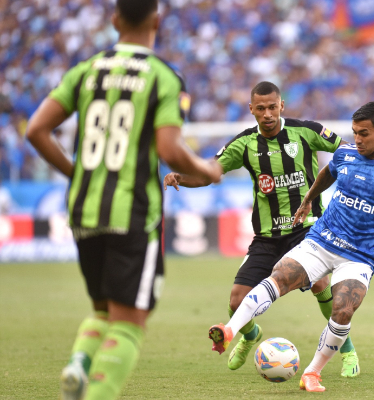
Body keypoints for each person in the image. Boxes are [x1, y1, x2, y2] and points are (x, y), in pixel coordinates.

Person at [25, 1, 223, 399]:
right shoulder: (164, 77)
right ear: (156, 21)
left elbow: (36, 130)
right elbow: (169, 147)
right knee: (130, 320)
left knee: (103, 311)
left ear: (114, 21)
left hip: (83, 207)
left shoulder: (85, 70)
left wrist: (77, 173)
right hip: (132, 210)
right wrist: (207, 169)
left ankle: (80, 364)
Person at [208, 101, 374, 392]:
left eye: (365, 134)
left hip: (359, 257)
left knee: (343, 310)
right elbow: (328, 172)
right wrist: (308, 199)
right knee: (279, 277)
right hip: (321, 241)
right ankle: (230, 330)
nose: (357, 139)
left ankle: (312, 373)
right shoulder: (346, 154)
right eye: (355, 132)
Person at [163, 81, 361, 377]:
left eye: (272, 107)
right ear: (252, 110)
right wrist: (183, 176)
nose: (267, 114)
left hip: (305, 230)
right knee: (235, 301)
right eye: (260, 109)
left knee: (320, 284)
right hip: (266, 238)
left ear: (282, 106)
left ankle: (347, 351)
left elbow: (347, 151)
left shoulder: (306, 131)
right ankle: (250, 335)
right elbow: (210, 173)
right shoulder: (244, 143)